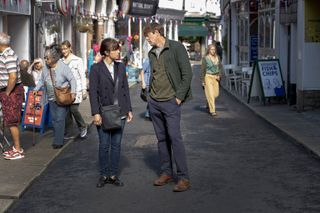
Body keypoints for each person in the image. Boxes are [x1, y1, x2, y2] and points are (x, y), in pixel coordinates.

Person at [143, 23, 193, 192]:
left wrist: (179, 97)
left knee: (175, 138)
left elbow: (187, 73)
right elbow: (153, 75)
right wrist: (149, 97)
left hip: (171, 101)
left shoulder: (176, 47)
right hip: (155, 102)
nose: (147, 40)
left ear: (156, 33)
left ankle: (183, 177)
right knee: (162, 139)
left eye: (148, 36)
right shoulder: (151, 53)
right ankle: (166, 172)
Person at [89, 38, 133, 188]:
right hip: (103, 112)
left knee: (116, 145)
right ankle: (103, 174)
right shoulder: (96, 69)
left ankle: (113, 175)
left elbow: (125, 89)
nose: (118, 51)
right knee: (104, 145)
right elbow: (93, 93)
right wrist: (95, 113)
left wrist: (129, 110)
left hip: (120, 111)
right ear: (107, 52)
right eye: (115, 49)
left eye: (118, 49)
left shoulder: (120, 67)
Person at [33, 45, 76, 149]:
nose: (46, 60)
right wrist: (36, 89)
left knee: (60, 119)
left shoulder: (63, 67)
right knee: (54, 119)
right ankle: (60, 134)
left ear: (54, 58)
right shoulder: (45, 69)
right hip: (51, 98)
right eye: (45, 58)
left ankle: (58, 141)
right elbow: (42, 81)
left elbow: (72, 80)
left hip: (62, 97)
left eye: (47, 58)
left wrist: (73, 92)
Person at [0, 33, 25, 160]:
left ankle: (18, 150)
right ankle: (15, 148)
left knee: (12, 121)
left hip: (11, 91)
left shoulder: (8, 55)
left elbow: (13, 77)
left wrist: (7, 93)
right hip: (9, 90)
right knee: (9, 121)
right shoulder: (5, 54)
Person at [60, 40, 88, 139]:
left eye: (65, 48)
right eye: (62, 49)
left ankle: (83, 126)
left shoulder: (77, 60)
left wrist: (84, 89)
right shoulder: (61, 61)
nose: (63, 51)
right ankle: (69, 132)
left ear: (70, 48)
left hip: (77, 89)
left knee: (74, 109)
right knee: (67, 111)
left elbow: (82, 76)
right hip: (65, 90)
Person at [201, 43, 222, 117]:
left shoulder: (218, 57)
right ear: (209, 50)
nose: (213, 51)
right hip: (208, 76)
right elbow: (203, 70)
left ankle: (208, 102)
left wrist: (219, 75)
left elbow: (220, 67)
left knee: (215, 94)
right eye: (211, 49)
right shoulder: (205, 58)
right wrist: (202, 81)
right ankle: (212, 110)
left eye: (214, 49)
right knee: (210, 94)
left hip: (215, 77)